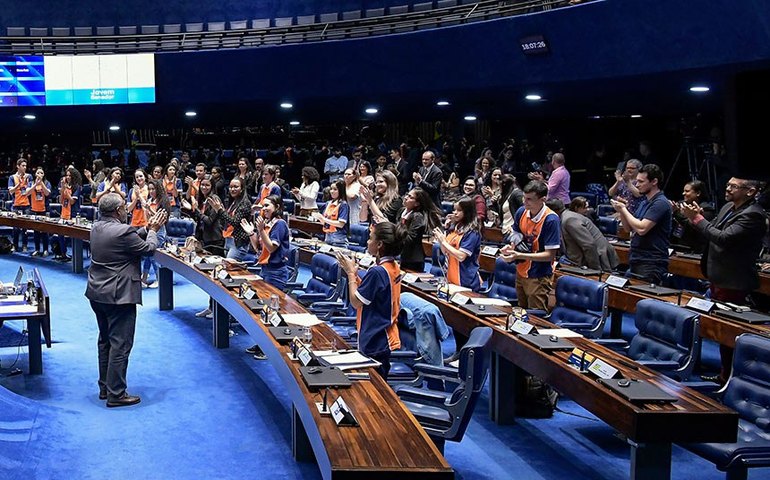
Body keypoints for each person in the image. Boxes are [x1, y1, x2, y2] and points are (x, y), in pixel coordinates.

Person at [681, 177, 768, 384]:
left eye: (734, 186)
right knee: (721, 328)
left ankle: (730, 377)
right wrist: (697, 218)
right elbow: (713, 231)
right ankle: (724, 373)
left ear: (751, 191)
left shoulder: (754, 215)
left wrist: (698, 220)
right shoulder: (728, 207)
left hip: (734, 279)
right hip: (718, 275)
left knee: (729, 331)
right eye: (727, 184)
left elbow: (724, 238)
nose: (727, 188)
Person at [85, 192, 167, 407]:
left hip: (97, 293)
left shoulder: (96, 227)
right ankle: (116, 394)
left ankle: (105, 387)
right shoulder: (122, 231)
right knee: (120, 345)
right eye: (124, 207)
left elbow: (126, 238)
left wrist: (146, 228)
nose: (126, 210)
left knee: (105, 341)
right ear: (117, 210)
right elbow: (149, 249)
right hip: (118, 296)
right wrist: (154, 231)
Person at [336, 222, 406, 379]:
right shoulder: (393, 266)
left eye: (370, 238)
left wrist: (350, 274)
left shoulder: (377, 271)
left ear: (380, 244)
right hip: (384, 335)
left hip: (376, 339)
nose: (367, 242)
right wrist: (355, 274)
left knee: (375, 392)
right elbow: (374, 295)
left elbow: (356, 302)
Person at [241, 195, 290, 361]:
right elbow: (259, 248)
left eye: (267, 205)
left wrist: (260, 230)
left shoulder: (280, 224)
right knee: (264, 310)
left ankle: (272, 348)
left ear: (277, 206)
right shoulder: (267, 224)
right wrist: (252, 233)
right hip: (266, 270)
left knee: (273, 311)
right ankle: (263, 343)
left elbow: (271, 248)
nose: (264, 208)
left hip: (276, 273)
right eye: (262, 205)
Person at [501, 181, 561, 311]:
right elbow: (516, 234)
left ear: (542, 199)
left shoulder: (551, 220)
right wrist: (511, 247)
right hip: (521, 271)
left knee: (535, 317)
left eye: (529, 199)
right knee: (520, 313)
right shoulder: (521, 211)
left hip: (538, 276)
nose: (524, 201)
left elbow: (549, 255)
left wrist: (519, 255)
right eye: (524, 197)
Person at [611, 164, 672, 284]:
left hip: (651, 261)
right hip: (636, 257)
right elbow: (628, 228)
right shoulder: (644, 202)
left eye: (641, 181)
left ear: (654, 181)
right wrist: (623, 210)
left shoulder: (660, 203)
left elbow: (642, 229)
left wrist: (623, 209)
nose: (637, 184)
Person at [552, 197, 619, 271]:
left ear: (554, 211)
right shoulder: (566, 216)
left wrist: (594, 270)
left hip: (599, 257)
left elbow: (589, 245)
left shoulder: (569, 220)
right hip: (583, 257)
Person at [433, 197, 482, 291]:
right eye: (454, 209)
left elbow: (461, 256)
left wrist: (443, 242)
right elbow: (445, 252)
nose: (455, 212)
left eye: (459, 210)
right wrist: (440, 239)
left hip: (465, 280)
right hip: (451, 276)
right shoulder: (454, 228)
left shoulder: (472, 232)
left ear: (467, 212)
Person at [208, 177, 253, 261]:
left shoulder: (245, 203)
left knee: (229, 269)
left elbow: (235, 222)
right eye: (231, 187)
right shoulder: (233, 202)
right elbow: (226, 219)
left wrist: (220, 210)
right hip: (228, 240)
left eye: (236, 187)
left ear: (242, 189)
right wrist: (218, 211)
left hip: (238, 243)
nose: (232, 189)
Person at [399, 188, 442, 272]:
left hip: (413, 259)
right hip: (404, 255)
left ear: (417, 203)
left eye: (410, 197)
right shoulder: (402, 212)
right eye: (407, 195)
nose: (406, 198)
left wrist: (395, 233)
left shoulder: (417, 216)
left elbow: (410, 238)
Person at [670, 179, 715, 253]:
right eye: (684, 191)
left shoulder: (707, 209)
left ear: (698, 193)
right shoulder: (681, 204)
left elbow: (692, 226)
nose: (683, 193)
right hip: (677, 245)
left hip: (695, 249)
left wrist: (676, 213)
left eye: (687, 191)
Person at [141, 179, 169, 287]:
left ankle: (159, 279)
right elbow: (149, 217)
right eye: (149, 189)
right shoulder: (150, 200)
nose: (151, 191)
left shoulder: (163, 201)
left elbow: (162, 218)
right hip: (151, 229)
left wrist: (149, 209)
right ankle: (144, 279)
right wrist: (147, 211)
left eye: (153, 189)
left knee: (153, 256)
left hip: (160, 231)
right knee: (148, 255)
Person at [55, 166, 82, 261]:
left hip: (73, 214)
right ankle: (63, 253)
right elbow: (61, 201)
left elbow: (72, 201)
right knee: (60, 234)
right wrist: (63, 189)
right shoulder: (64, 186)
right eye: (67, 175)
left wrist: (65, 191)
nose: (67, 177)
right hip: (64, 213)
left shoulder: (78, 187)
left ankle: (76, 256)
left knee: (73, 235)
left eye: (70, 175)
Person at [313, 180, 349, 246]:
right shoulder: (328, 203)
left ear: (340, 191)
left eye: (335, 189)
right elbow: (325, 222)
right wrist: (319, 217)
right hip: (327, 236)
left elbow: (341, 224)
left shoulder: (343, 204)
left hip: (338, 239)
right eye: (331, 189)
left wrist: (324, 219)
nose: (332, 191)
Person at [8, 158, 32, 252]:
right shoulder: (12, 177)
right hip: (16, 205)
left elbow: (28, 191)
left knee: (25, 227)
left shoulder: (29, 176)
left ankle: (25, 245)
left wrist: (25, 183)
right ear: (18, 166)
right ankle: (15, 245)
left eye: (26, 166)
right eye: (23, 165)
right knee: (16, 228)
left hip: (26, 205)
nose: (25, 167)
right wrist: (19, 185)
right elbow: (11, 191)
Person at [27, 167, 52, 256]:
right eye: (38, 173)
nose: (40, 174)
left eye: (41, 173)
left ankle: (45, 249)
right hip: (34, 210)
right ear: (35, 174)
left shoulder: (47, 183)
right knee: (36, 231)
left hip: (44, 210)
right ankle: (37, 249)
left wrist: (41, 183)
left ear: (43, 174)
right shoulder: (31, 183)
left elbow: (47, 193)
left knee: (45, 231)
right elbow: (27, 193)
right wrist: (35, 184)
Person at [492, 174, 524, 242]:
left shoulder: (517, 194)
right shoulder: (506, 195)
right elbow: (503, 213)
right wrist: (495, 204)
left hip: (513, 232)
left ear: (504, 185)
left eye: (499, 185)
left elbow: (525, 211)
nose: (498, 188)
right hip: (505, 230)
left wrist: (514, 226)